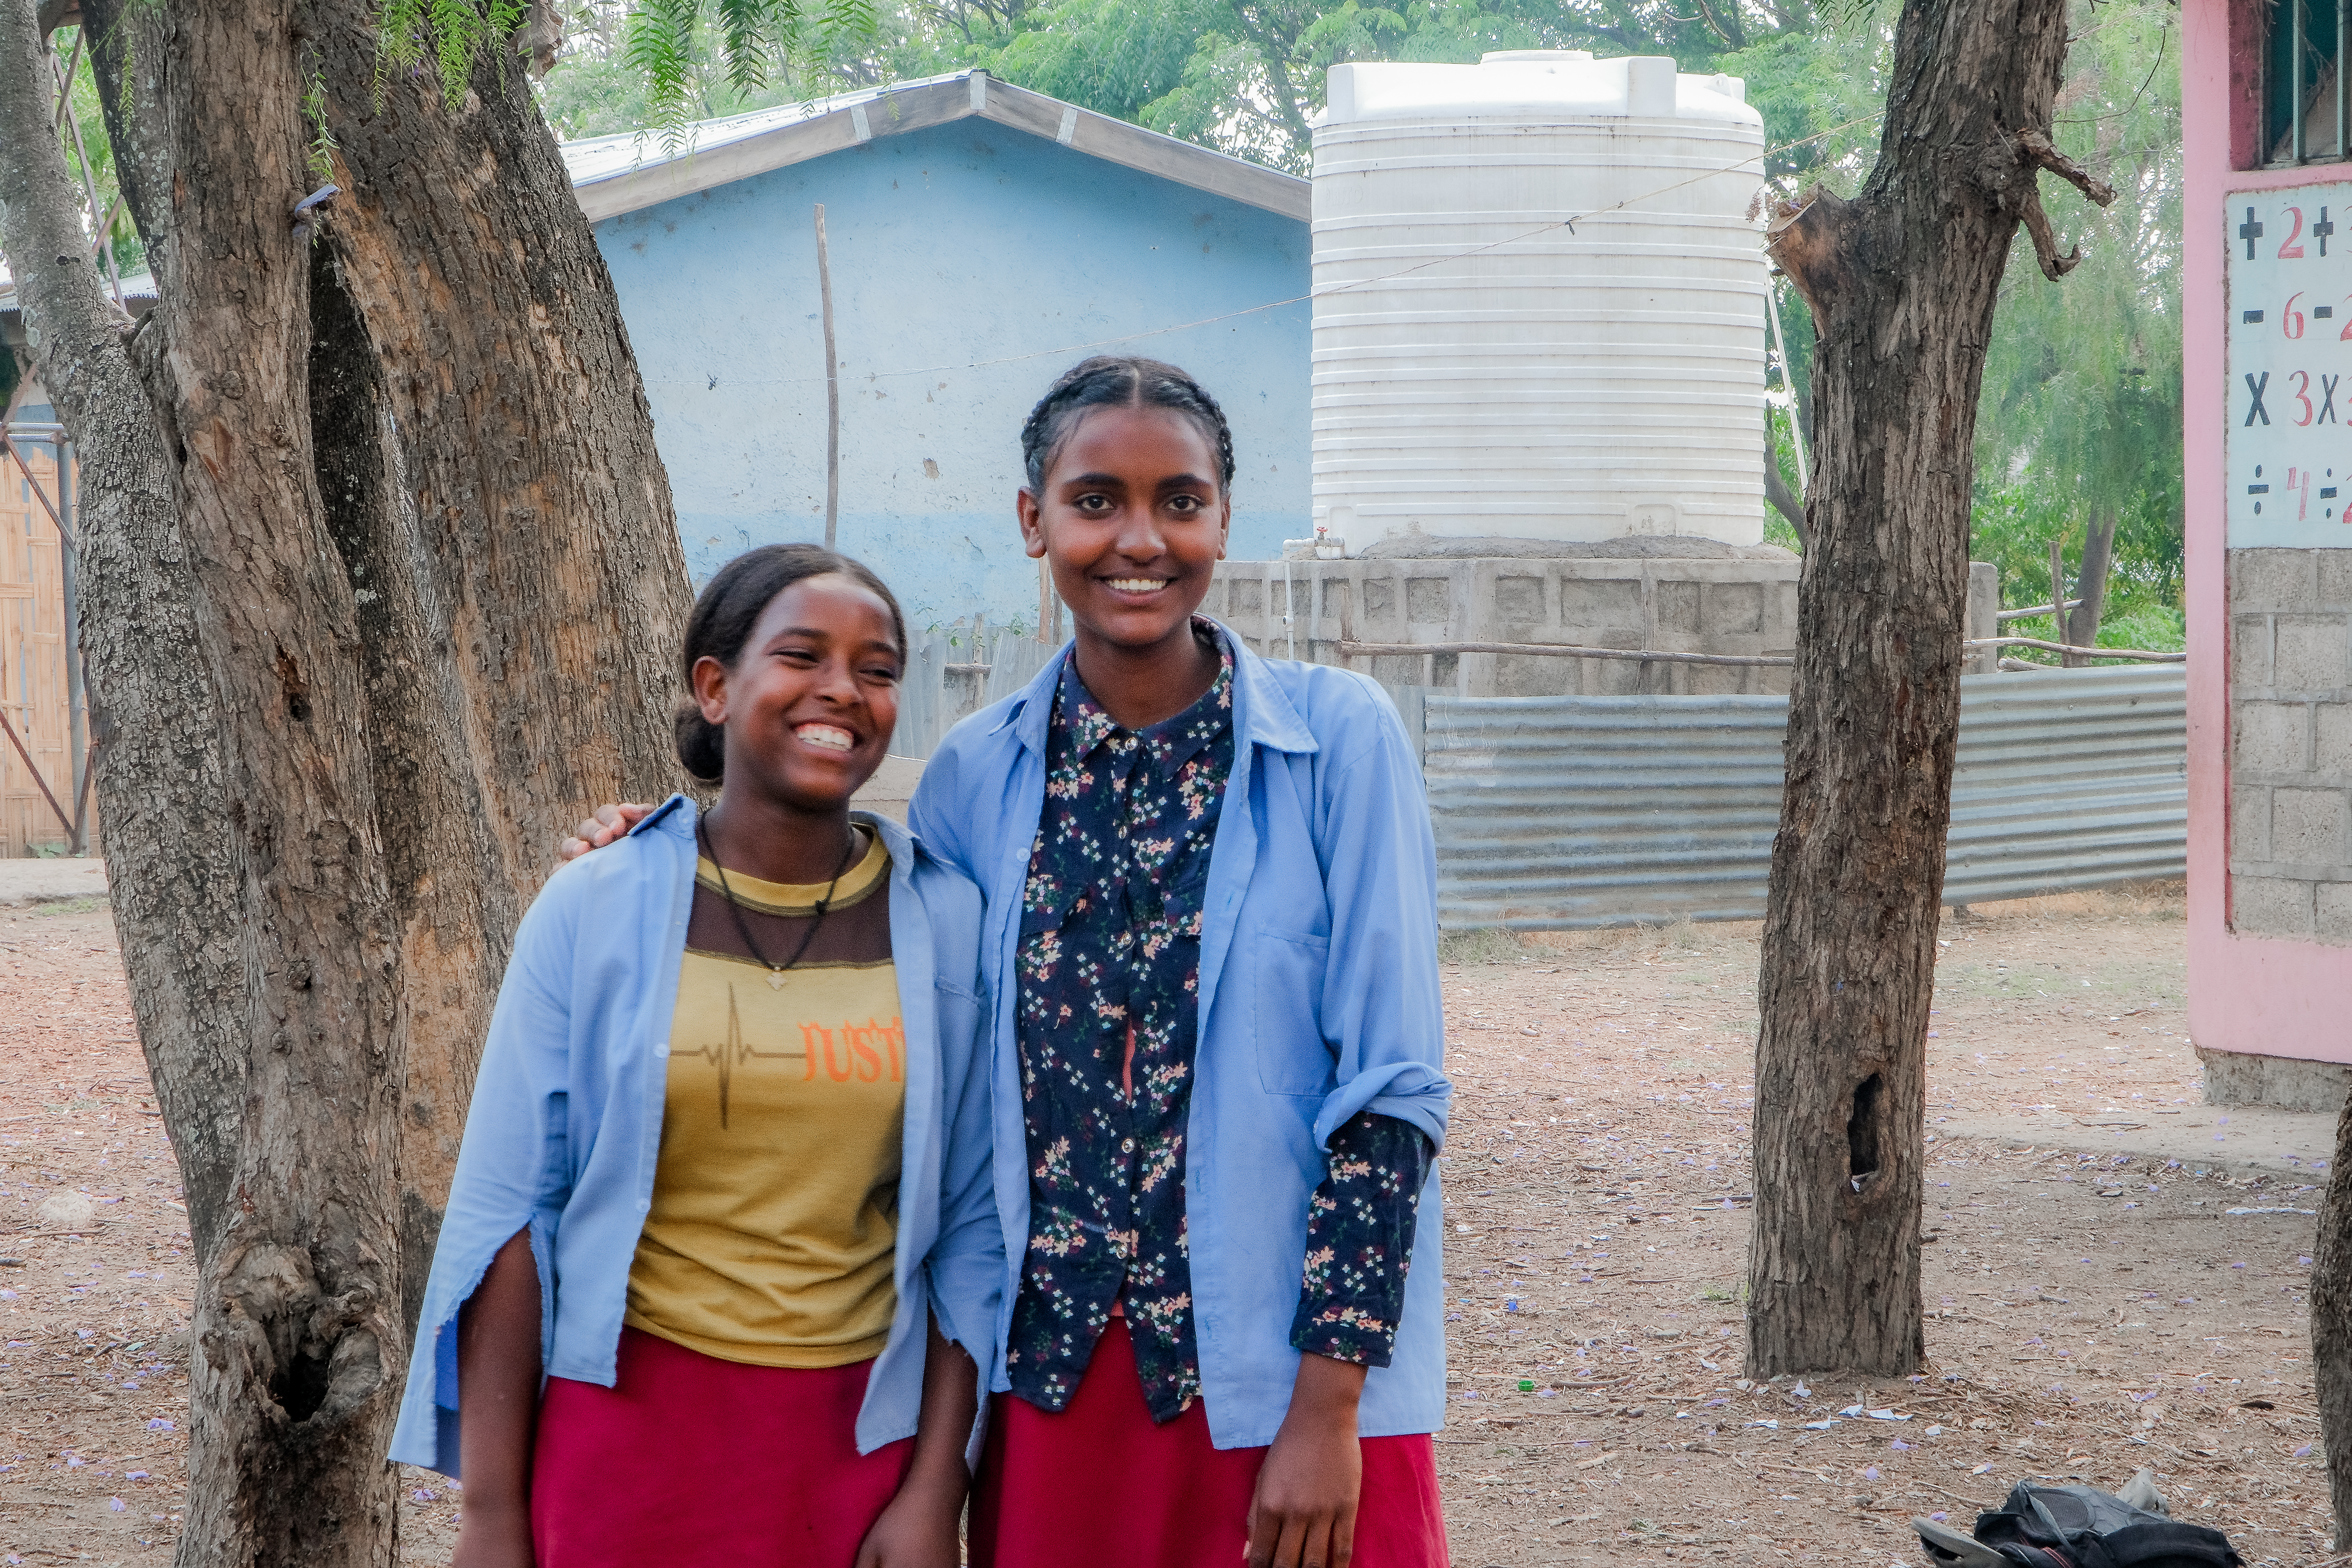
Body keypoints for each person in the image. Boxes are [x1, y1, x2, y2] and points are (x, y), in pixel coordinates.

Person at [567, 356, 1452, 1568]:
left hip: (1280, 1390)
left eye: (1178, 501)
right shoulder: (978, 774)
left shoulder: (1340, 743)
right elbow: (859, 930)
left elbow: (1392, 1090)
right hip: (1053, 1395)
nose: (1138, 538)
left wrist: (1329, 1405)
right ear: (1033, 520)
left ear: (1224, 519)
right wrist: (654, 849)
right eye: (1096, 500)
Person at [392, 544, 1000, 1568]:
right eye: (802, 656)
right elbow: (508, 1214)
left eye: (879, 669)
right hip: (625, 1437)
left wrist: (935, 1488)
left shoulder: (945, 921)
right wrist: (494, 1514)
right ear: (715, 687)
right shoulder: (599, 903)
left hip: (852, 1447)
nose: (842, 692)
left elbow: (970, 1236)